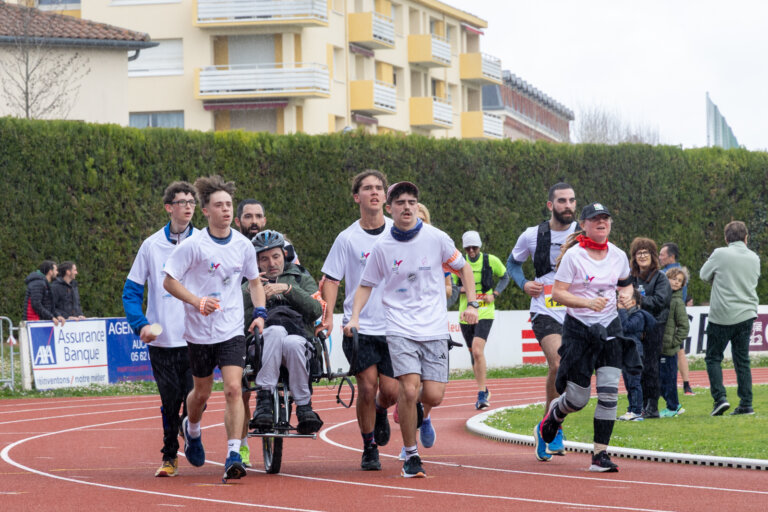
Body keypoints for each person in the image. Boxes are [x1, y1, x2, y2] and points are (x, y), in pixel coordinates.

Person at [344, 181, 479, 478]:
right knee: (406, 387)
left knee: (433, 395)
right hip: (399, 326)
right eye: (400, 202)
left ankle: (407, 411)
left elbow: (464, 268)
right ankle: (411, 455)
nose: (407, 206)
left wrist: (472, 304)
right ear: (389, 208)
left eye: (412, 201)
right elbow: (365, 285)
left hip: (433, 327)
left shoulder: (437, 238)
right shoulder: (382, 247)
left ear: (418, 206)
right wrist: (354, 317)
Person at [163, 175, 266, 482]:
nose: (224, 210)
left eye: (228, 205)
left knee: (235, 388)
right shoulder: (193, 246)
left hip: (231, 328)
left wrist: (260, 313)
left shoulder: (243, 245)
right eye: (218, 205)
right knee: (202, 392)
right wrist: (196, 302)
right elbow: (169, 280)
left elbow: (255, 281)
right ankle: (191, 429)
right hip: (199, 331)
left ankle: (234, 453)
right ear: (205, 211)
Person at [537, 202, 635, 473]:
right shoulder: (574, 256)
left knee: (609, 393)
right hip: (579, 330)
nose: (601, 222)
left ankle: (600, 455)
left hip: (610, 329)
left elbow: (626, 285)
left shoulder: (618, 255)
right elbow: (557, 293)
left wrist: (627, 297)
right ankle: (555, 414)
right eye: (595, 219)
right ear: (584, 225)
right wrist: (585, 303)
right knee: (577, 400)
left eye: (605, 218)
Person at [320, 170, 399, 471]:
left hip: (394, 325)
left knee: (390, 391)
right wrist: (329, 317)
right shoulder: (347, 238)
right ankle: (369, 447)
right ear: (357, 197)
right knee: (366, 387)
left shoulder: (398, 231)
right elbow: (331, 279)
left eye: (379, 187)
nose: (375, 192)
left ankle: (380, 410)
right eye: (368, 188)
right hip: (360, 326)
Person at [122, 181, 197, 478]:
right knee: (169, 401)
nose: (189, 206)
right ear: (169, 207)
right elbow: (131, 291)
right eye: (182, 202)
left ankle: (190, 430)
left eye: (192, 201)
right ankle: (169, 457)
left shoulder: (203, 242)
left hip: (197, 339)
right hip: (163, 342)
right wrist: (140, 324)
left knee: (196, 400)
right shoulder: (151, 245)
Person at [507, 182, 577, 459]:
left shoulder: (583, 234)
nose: (568, 205)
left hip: (576, 308)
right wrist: (524, 283)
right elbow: (512, 263)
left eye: (572, 200)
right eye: (562, 201)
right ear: (550, 205)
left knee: (572, 372)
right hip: (545, 308)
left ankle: (549, 422)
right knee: (558, 362)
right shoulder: (532, 235)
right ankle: (555, 429)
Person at [248, 230, 325, 435]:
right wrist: (254, 292)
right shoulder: (247, 281)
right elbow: (236, 315)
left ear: (284, 254)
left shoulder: (300, 275)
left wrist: (288, 289)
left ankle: (304, 407)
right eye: (264, 259)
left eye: (275, 256)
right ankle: (264, 400)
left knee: (292, 342)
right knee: (274, 331)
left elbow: (316, 310)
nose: (271, 263)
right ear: (256, 262)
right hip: (263, 342)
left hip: (299, 338)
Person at [700, 221, 759, 416]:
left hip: (722, 315)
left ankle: (720, 398)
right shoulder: (754, 257)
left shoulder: (720, 254)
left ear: (726, 238)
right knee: (742, 360)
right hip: (746, 313)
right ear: (746, 237)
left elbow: (703, 274)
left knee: (713, 358)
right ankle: (746, 403)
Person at [454, 230, 509, 409]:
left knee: (478, 350)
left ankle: (480, 395)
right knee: (473, 353)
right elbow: (453, 287)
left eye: (474, 248)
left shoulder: (491, 260)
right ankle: (484, 388)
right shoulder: (459, 264)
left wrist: (495, 293)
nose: (471, 251)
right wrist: (464, 290)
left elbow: (505, 276)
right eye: (468, 248)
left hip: (485, 312)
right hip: (465, 313)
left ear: (479, 247)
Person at [628, 237, 671, 419]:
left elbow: (661, 301)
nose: (643, 256)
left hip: (654, 326)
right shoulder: (630, 277)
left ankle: (652, 405)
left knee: (651, 366)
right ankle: (638, 403)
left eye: (646, 252)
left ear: (653, 256)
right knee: (635, 366)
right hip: (634, 326)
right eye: (639, 253)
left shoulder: (660, 278)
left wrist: (639, 300)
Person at [659, 241, 693, 395]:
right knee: (678, 352)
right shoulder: (680, 272)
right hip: (673, 317)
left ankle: (673, 390)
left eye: (662, 255)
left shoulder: (671, 273)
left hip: (670, 319)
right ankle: (685, 386)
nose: (659, 257)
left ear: (671, 257)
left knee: (675, 352)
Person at [617, 287, 655, 421]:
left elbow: (626, 327)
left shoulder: (639, 315)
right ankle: (631, 409)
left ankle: (637, 411)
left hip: (634, 352)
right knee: (628, 383)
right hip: (625, 351)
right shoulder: (626, 314)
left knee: (634, 382)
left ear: (633, 302)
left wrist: (621, 310)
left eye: (623, 299)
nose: (619, 301)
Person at [659, 267, 690, 417]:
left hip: (669, 350)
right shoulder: (662, 297)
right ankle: (674, 405)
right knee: (659, 380)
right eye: (674, 279)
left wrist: (673, 343)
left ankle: (672, 407)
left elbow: (684, 326)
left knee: (668, 380)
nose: (676, 283)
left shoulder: (677, 302)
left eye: (680, 281)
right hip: (658, 347)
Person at [23, 260, 65, 326]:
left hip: (40, 322)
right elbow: (36, 304)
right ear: (50, 272)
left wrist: (57, 315)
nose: (57, 272)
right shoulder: (38, 283)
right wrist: (51, 317)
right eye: (56, 270)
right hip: (34, 322)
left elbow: (49, 306)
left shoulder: (44, 283)